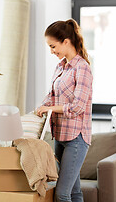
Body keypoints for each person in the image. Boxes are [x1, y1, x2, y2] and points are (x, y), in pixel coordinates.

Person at [36, 19, 92, 202]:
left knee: (62, 194)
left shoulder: (82, 68)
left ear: (66, 41)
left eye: (53, 46)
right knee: (74, 192)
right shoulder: (60, 66)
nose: (52, 51)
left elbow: (77, 107)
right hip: (60, 135)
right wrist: (40, 108)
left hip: (76, 137)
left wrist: (50, 108)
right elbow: (52, 95)